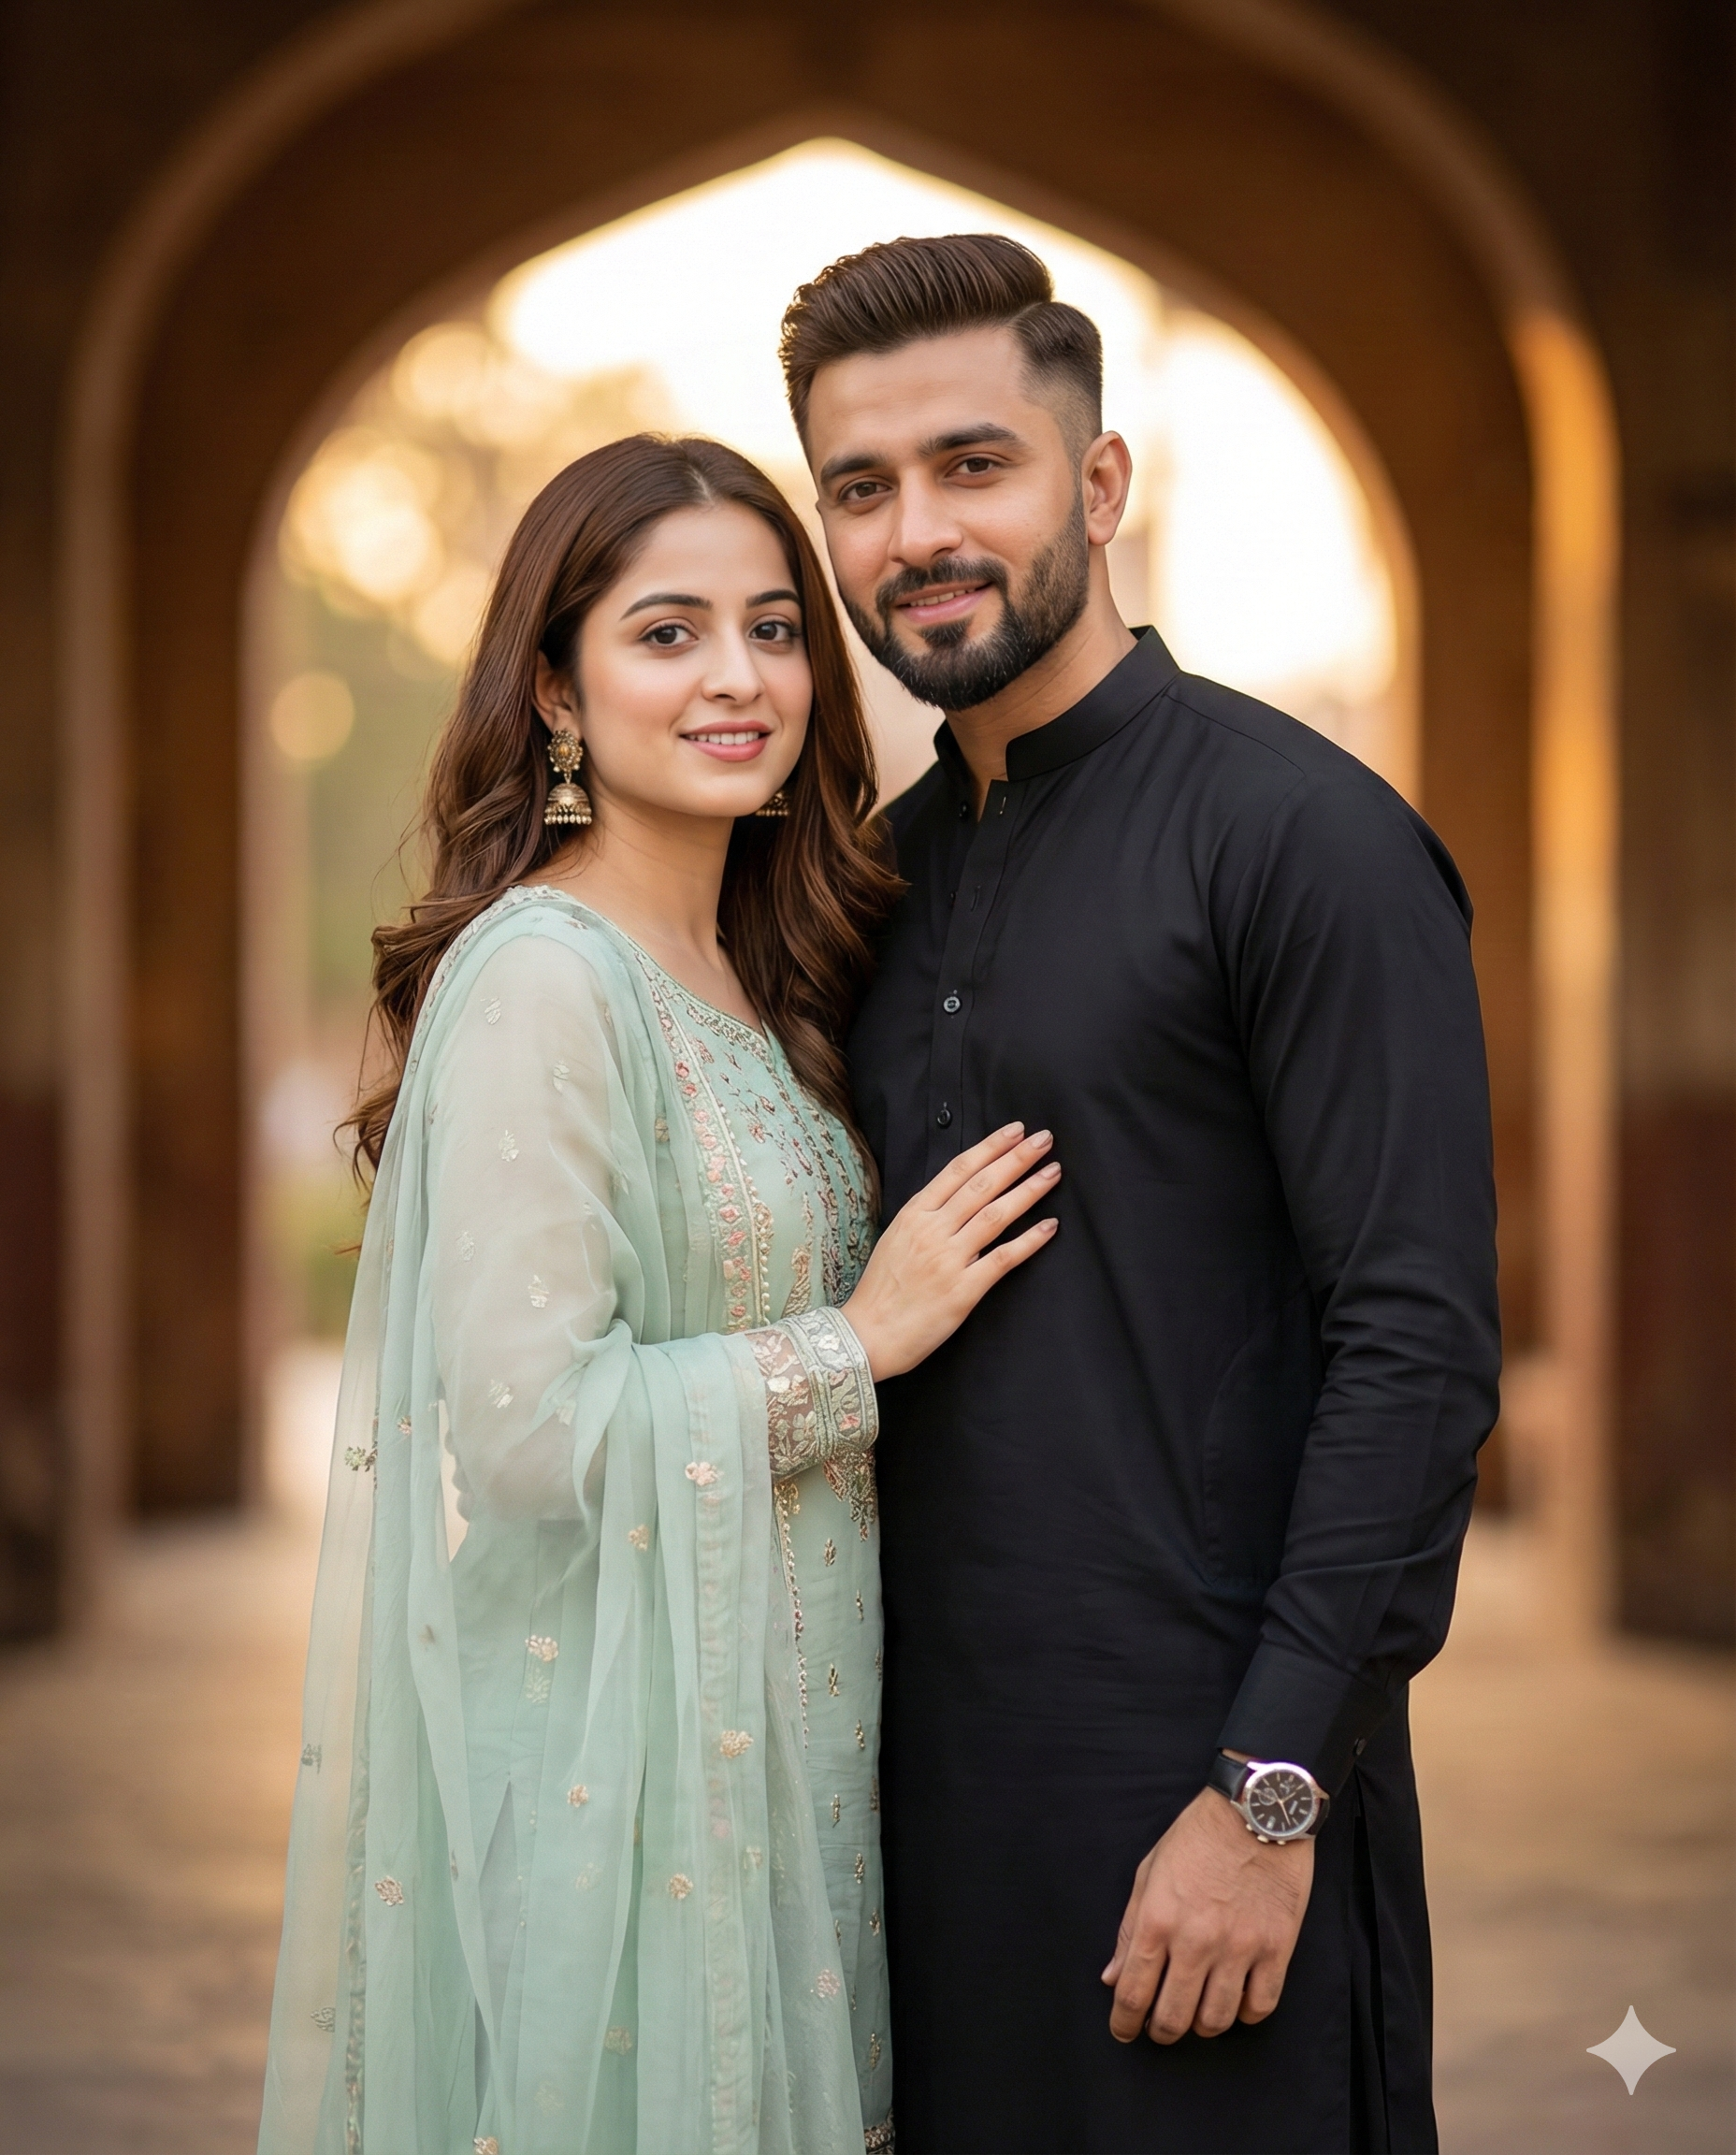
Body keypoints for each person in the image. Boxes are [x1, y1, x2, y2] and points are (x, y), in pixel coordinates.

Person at [256, 433, 1063, 2155]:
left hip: (785, 1753)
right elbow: (531, 1431)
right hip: (614, 1773)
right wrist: (860, 1338)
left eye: (775, 630)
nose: (740, 679)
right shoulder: (546, 978)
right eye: (668, 631)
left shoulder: (748, 967)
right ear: (555, 685)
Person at [779, 235, 1501, 2154]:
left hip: (1204, 1822)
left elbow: (1414, 1354)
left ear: (1097, 488)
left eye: (972, 465)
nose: (916, 531)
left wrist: (1268, 1800)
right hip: (912, 1824)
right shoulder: (870, 881)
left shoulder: (1302, 841)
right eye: (860, 489)